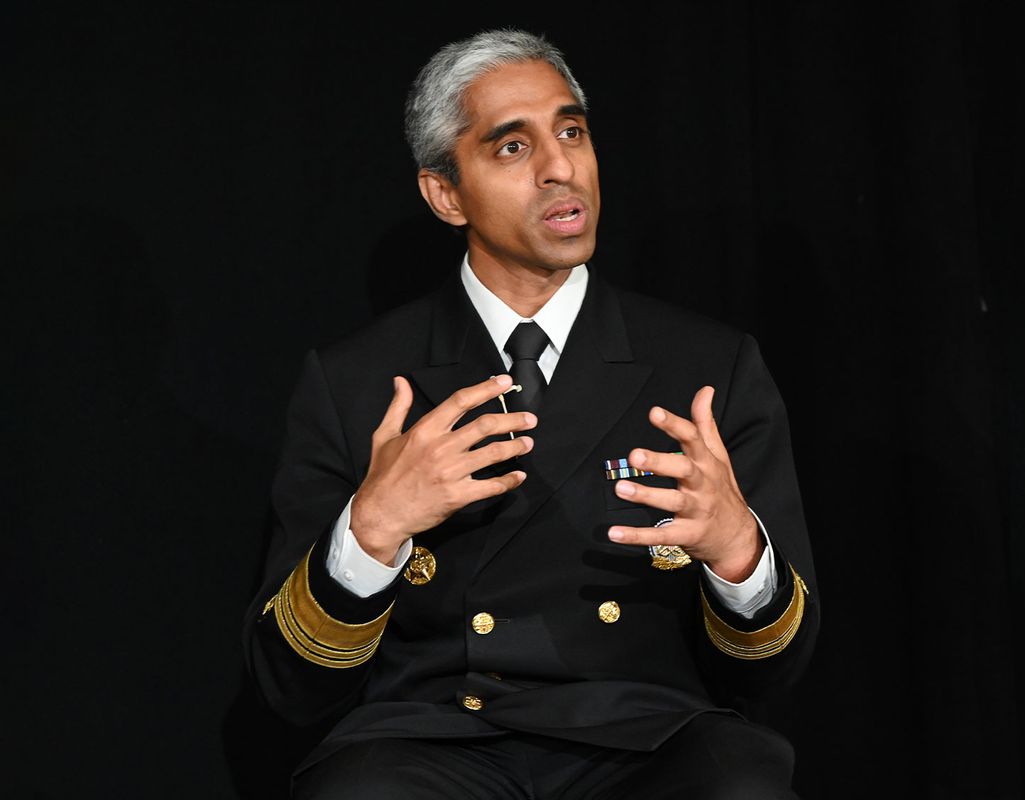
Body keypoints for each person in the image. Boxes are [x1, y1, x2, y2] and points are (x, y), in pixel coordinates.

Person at [245, 29, 819, 799]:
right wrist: (371, 529)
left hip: (644, 736)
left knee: (739, 781)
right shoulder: (358, 381)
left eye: (571, 131)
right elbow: (290, 689)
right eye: (512, 148)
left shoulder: (707, 369)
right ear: (445, 194)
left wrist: (738, 552)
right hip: (434, 738)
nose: (560, 167)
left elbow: (775, 671)